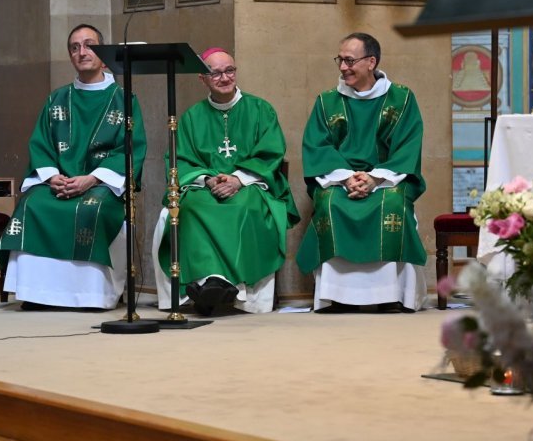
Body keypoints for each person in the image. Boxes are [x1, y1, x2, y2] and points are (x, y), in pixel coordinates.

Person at [0, 24, 147, 310]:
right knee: (33, 204)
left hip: (101, 186)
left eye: (89, 45)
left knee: (92, 208)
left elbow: (130, 149)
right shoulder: (56, 99)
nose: (82, 52)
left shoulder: (124, 100)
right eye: (75, 47)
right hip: (61, 182)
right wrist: (52, 177)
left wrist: (91, 179)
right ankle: (37, 293)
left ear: (103, 55)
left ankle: (91, 296)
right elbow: (40, 145)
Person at [152, 48, 299, 316]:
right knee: (191, 209)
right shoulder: (192, 117)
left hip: (250, 184)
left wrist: (237, 179)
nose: (224, 77)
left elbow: (271, 153)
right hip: (204, 186)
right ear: (203, 79)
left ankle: (232, 289)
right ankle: (206, 282)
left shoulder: (260, 110)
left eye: (229, 70)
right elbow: (180, 159)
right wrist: (207, 179)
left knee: (244, 208)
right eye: (215, 73)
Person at [297, 32, 427, 312]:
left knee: (391, 202)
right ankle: (337, 296)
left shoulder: (401, 99)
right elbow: (317, 146)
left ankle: (391, 294)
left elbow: (408, 147)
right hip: (340, 179)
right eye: (340, 60)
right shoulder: (326, 101)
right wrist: (346, 177)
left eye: (349, 60)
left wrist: (374, 177)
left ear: (371, 62)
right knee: (330, 202)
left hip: (385, 179)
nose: (343, 67)